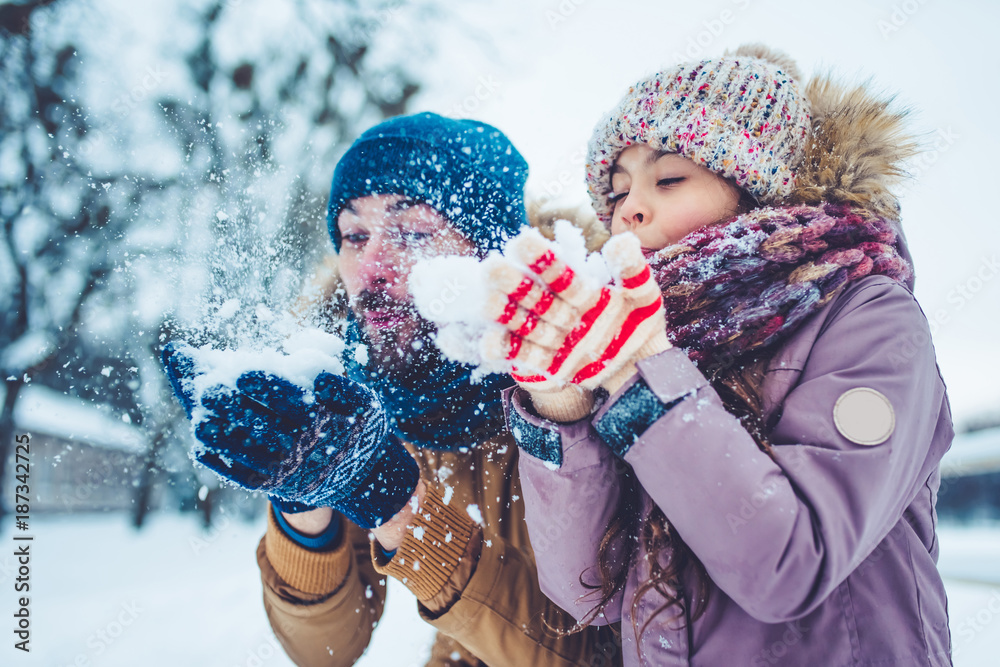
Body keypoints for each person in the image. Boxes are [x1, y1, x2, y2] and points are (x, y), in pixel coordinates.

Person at [477, 45, 953, 664]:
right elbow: (587, 593)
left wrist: (638, 373)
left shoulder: (870, 319)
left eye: (669, 178)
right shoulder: (653, 348)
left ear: (760, 191)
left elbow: (790, 565)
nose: (630, 209)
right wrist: (560, 405)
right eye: (616, 195)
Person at [162, 112, 619, 666]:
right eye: (355, 235)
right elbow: (326, 650)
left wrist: (404, 511)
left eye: (413, 233)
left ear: (488, 250)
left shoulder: (593, 379)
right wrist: (300, 498)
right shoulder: (356, 392)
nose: (371, 266)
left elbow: (603, 653)